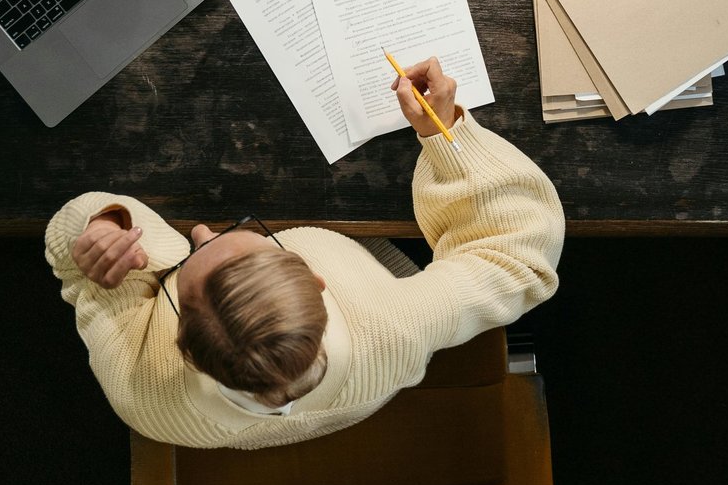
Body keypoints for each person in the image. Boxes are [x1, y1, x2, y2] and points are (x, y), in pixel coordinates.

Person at [43, 58, 565, 449]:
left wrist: (102, 228)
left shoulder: (141, 396)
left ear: (179, 340)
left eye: (195, 251)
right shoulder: (395, 323)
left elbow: (79, 269)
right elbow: (520, 258)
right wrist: (446, 136)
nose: (200, 231)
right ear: (316, 278)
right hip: (369, 371)